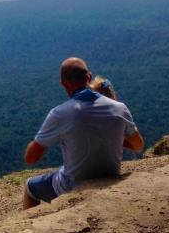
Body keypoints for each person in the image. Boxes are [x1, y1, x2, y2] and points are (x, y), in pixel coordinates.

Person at [23, 57, 144, 209]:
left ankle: (28, 226)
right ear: (88, 77)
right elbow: (138, 146)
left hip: (72, 185)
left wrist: (38, 139)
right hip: (111, 176)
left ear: (64, 84)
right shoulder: (120, 108)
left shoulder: (60, 113)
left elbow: (31, 158)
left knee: (30, 188)